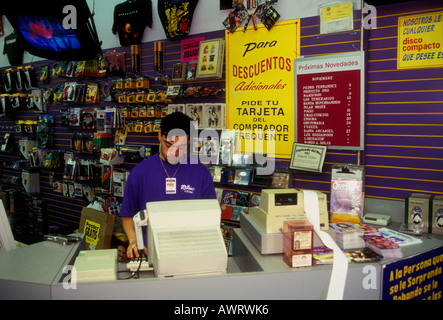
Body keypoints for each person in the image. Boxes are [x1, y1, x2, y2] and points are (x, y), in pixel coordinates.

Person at [119, 111, 217, 259]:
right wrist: (133, 241)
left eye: (181, 146)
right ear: (160, 136)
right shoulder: (139, 173)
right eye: (168, 144)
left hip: (190, 253)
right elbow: (127, 215)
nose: (174, 152)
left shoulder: (201, 173)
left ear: (189, 142)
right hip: (150, 252)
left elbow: (211, 216)